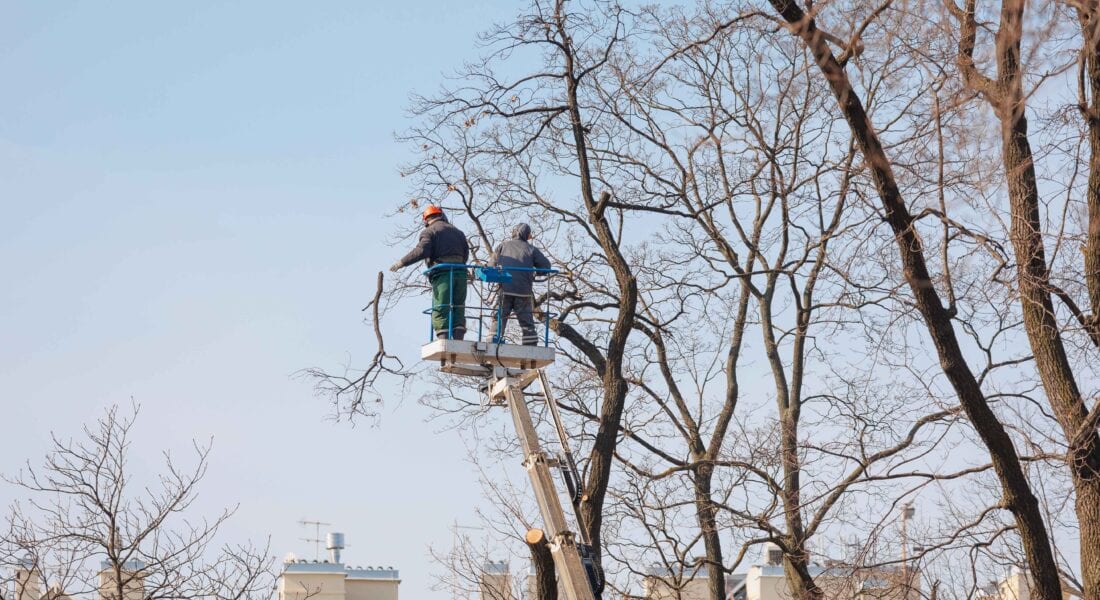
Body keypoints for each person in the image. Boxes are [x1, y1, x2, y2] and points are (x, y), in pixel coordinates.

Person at [390, 204, 470, 340]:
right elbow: (466, 254)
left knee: (441, 306)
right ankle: (458, 338)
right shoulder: (458, 232)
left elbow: (422, 251)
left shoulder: (429, 232)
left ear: (426, 220)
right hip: (461, 274)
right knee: (458, 306)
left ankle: (443, 339)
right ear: (441, 215)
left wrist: (401, 262)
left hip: (443, 273)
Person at [490, 223, 551, 346]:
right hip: (523, 292)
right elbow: (546, 267)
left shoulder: (502, 246)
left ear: (514, 232)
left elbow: (491, 267)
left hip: (505, 289)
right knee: (526, 321)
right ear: (527, 235)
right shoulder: (531, 249)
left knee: (499, 317)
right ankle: (531, 344)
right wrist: (536, 272)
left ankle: (493, 341)